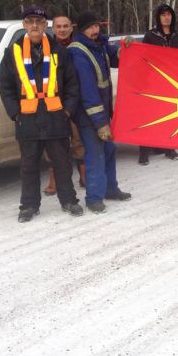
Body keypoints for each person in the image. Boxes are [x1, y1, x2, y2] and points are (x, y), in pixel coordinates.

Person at [0, 6, 83, 222]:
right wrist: (15, 113)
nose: (35, 25)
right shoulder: (13, 52)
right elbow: (6, 86)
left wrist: (67, 111)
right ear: (24, 25)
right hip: (27, 120)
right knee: (28, 166)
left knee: (62, 163)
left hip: (56, 118)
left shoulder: (58, 51)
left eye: (39, 21)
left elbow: (73, 84)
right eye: (30, 21)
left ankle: (69, 200)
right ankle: (28, 206)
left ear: (46, 25)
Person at [68, 11, 131, 213]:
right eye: (91, 27)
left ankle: (110, 189)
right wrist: (100, 123)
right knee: (95, 155)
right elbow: (87, 91)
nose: (95, 30)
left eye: (97, 26)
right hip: (89, 115)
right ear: (82, 29)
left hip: (103, 113)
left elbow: (117, 58)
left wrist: (128, 48)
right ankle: (94, 198)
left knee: (109, 150)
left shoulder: (99, 45)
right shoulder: (77, 52)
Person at [138, 3, 178, 165]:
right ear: (158, 17)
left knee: (170, 116)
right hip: (153, 82)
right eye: (163, 14)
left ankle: (169, 148)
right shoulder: (150, 36)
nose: (167, 17)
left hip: (172, 84)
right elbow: (143, 57)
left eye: (169, 14)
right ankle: (144, 151)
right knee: (148, 117)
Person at [43, 15, 86, 195]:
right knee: (52, 144)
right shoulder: (46, 48)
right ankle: (54, 180)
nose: (61, 29)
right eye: (58, 26)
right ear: (53, 29)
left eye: (65, 26)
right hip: (51, 102)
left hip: (76, 101)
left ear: (71, 28)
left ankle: (84, 176)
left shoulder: (78, 47)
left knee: (78, 140)